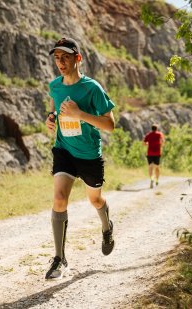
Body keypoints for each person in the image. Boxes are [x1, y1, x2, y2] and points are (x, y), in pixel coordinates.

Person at [44, 37, 116, 280]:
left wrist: (80, 114)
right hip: (64, 150)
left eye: (65, 57)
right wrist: (51, 117)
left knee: (95, 200)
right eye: (57, 58)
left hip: (88, 154)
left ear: (78, 58)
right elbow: (56, 108)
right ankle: (59, 258)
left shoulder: (92, 88)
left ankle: (107, 226)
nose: (60, 62)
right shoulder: (55, 86)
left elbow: (110, 125)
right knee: (59, 198)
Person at [143, 124, 165, 188]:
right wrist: (160, 145)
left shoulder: (148, 135)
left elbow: (144, 143)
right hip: (157, 153)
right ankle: (157, 180)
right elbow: (163, 142)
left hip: (150, 153)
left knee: (150, 167)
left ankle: (151, 178)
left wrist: (148, 143)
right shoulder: (159, 134)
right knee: (157, 167)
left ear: (151, 128)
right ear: (157, 128)